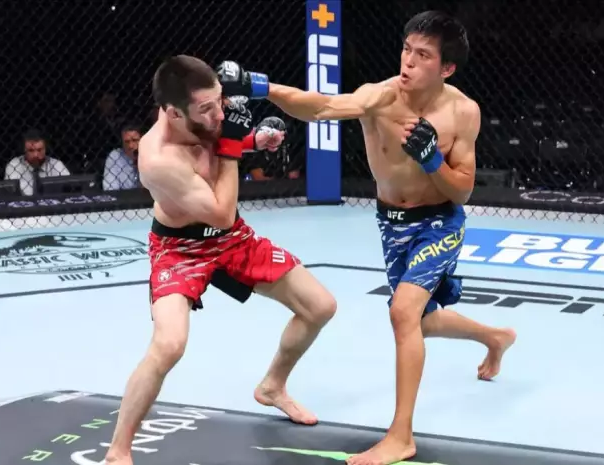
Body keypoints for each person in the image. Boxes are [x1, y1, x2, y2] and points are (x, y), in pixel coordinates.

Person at [217, 11, 517, 465]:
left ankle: (401, 436)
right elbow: (319, 106)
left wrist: (432, 160)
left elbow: (463, 190)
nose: (408, 61)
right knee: (421, 321)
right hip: (391, 224)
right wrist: (260, 87)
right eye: (407, 49)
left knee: (403, 313)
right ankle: (495, 336)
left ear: (447, 68)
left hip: (439, 221)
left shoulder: (463, 112)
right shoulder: (381, 97)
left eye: (423, 55)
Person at [104, 55, 336, 465]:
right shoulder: (157, 160)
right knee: (169, 345)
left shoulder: (202, 113)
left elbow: (218, 148)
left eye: (220, 101)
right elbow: (221, 211)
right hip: (180, 249)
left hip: (231, 241)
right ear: (174, 113)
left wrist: (253, 140)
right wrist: (231, 145)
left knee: (320, 306)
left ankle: (272, 387)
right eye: (207, 109)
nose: (219, 114)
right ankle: (118, 452)